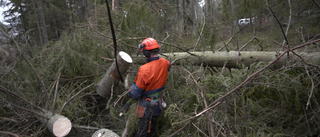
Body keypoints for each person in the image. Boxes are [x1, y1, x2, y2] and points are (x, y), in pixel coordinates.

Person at [129, 38, 171, 137]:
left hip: (147, 108)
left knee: (142, 133)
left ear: (147, 53)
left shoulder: (144, 69)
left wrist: (130, 89)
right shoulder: (166, 62)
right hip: (158, 104)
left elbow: (135, 94)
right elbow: (168, 67)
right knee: (151, 131)